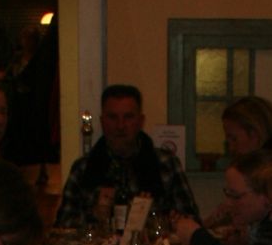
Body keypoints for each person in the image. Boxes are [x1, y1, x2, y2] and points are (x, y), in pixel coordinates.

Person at [54, 83, 198, 227]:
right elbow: (62, 226)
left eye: (128, 117)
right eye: (113, 117)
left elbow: (192, 222)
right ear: (102, 122)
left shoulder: (166, 164)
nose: (120, 126)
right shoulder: (83, 169)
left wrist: (152, 219)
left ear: (140, 121)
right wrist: (94, 215)